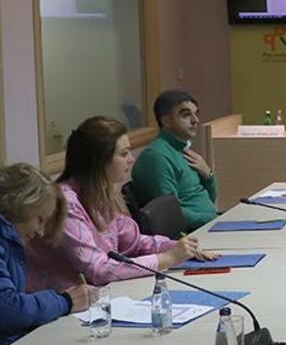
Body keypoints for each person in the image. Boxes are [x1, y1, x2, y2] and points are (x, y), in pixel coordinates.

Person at [25, 116, 216, 290]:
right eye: (124, 154)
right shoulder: (66, 204)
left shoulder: (102, 194)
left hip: (99, 296)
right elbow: (98, 270)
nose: (131, 159)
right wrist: (166, 259)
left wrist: (178, 248)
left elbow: (133, 242)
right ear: (100, 161)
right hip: (63, 305)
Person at [0, 163, 91, 345]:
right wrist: (65, 301)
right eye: (39, 220)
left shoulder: (10, 240)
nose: (40, 232)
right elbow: (8, 309)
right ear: (20, 204)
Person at [130, 89, 218, 232]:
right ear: (166, 121)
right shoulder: (157, 157)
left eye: (196, 114)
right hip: (190, 234)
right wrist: (210, 219)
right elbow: (171, 214)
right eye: (186, 115)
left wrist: (208, 176)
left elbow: (209, 199)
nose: (195, 120)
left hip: (206, 225)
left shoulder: (183, 151)